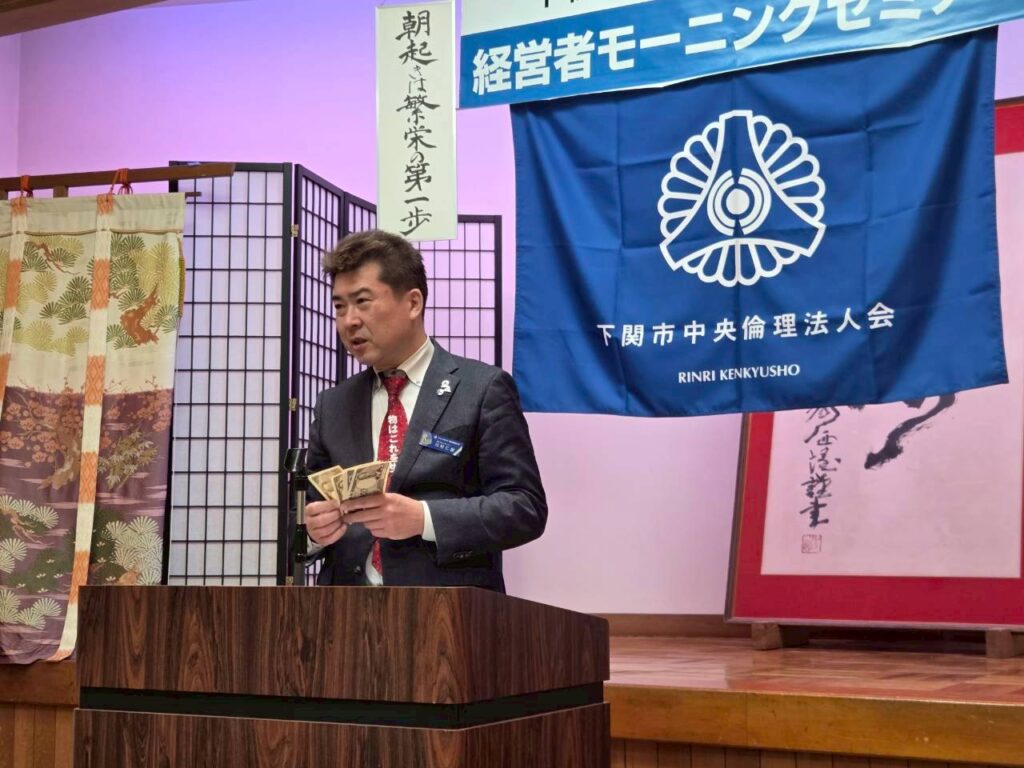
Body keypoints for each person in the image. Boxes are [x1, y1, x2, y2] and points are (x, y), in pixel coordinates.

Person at [305, 229, 547, 592]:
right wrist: (313, 532)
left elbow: (524, 507)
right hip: (345, 612)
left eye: (363, 301)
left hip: (449, 611)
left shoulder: (482, 389)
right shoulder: (333, 405)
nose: (349, 320)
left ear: (413, 303)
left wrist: (423, 518)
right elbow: (302, 517)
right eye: (340, 306)